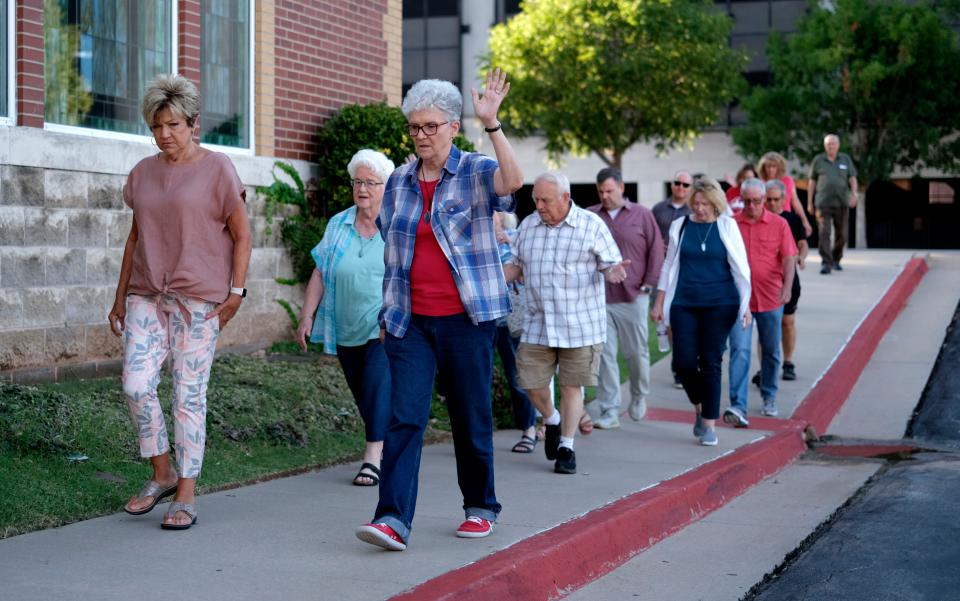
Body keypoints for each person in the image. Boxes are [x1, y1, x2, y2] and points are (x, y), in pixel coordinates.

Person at [355, 70, 523, 552]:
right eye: (415, 127)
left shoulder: (473, 170)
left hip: (467, 322)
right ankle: (391, 519)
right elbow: (394, 253)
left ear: (453, 126)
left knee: (471, 417)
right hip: (411, 323)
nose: (422, 135)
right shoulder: (400, 182)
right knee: (403, 417)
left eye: (431, 126)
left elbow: (512, 182)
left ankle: (480, 507)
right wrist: (389, 317)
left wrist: (492, 125)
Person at [109, 74, 252, 530]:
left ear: (194, 123)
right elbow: (136, 237)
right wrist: (119, 296)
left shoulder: (219, 169)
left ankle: (186, 490)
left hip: (200, 301)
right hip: (146, 295)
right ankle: (161, 471)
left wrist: (236, 295)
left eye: (172, 125)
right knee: (136, 385)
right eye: (156, 127)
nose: (164, 135)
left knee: (189, 397)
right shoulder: (143, 173)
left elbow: (243, 234)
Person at [504, 172, 628, 474]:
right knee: (529, 383)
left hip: (580, 324)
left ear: (565, 198)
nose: (539, 206)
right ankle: (552, 419)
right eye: (536, 200)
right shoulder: (529, 226)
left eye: (545, 200)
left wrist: (612, 272)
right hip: (538, 323)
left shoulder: (591, 225)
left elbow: (610, 262)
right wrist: (491, 279)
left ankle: (566, 448)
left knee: (572, 386)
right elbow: (516, 266)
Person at [295, 149, 395, 487]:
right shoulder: (339, 223)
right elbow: (320, 272)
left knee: (377, 384)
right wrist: (306, 316)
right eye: (357, 182)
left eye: (370, 182)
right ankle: (387, 441)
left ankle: (372, 456)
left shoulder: (397, 223)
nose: (362, 188)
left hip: (384, 324)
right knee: (363, 393)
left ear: (386, 186)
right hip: (345, 325)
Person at [651, 178, 751, 447]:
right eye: (695, 203)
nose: (699, 208)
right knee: (683, 362)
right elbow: (669, 263)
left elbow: (741, 269)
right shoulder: (680, 225)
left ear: (716, 203)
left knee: (711, 360)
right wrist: (659, 301)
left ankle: (708, 424)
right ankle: (699, 405)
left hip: (721, 303)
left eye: (705, 204)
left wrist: (746, 305)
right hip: (684, 302)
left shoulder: (727, 226)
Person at [586, 167, 663, 428]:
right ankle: (609, 409)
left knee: (635, 353)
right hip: (599, 298)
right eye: (601, 191)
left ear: (621, 188)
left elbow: (656, 250)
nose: (605, 196)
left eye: (609, 190)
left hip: (634, 296)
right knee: (605, 355)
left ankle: (639, 396)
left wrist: (649, 285)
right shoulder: (591, 216)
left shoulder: (642, 215)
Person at [724, 179, 797, 425]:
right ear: (741, 199)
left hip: (771, 298)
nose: (752, 206)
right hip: (739, 301)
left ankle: (769, 396)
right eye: (748, 201)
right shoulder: (731, 224)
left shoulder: (780, 224)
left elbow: (789, 258)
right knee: (740, 351)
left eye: (757, 201)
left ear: (764, 200)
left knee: (771, 351)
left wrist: (787, 288)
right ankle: (737, 405)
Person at [492, 211, 538, 453]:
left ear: (501, 217)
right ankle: (474, 432)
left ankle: (529, 429)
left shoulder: (516, 236)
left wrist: (510, 242)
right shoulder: (468, 239)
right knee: (473, 375)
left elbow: (531, 262)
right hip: (479, 317)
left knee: (517, 374)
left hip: (511, 316)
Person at [652, 170, 694, 389]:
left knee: (682, 322)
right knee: (667, 321)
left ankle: (683, 365)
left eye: (686, 185)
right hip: (664, 272)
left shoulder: (695, 210)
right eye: (677, 183)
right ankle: (678, 366)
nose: (681, 187)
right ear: (672, 184)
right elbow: (650, 236)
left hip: (687, 272)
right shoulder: (659, 209)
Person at [764, 180, 807, 381]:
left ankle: (788, 361)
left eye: (775, 199)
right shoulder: (759, 220)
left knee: (787, 321)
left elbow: (802, 244)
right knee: (767, 324)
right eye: (768, 199)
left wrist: (801, 257)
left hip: (787, 277)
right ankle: (766, 365)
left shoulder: (792, 220)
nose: (771, 203)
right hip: (764, 281)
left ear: (783, 199)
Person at [808, 134, 858, 274]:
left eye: (833, 143)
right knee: (824, 233)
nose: (831, 146)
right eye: (829, 144)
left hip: (841, 202)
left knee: (842, 234)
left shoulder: (845, 159)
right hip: (822, 203)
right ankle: (826, 263)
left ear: (838, 145)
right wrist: (809, 202)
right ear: (825, 145)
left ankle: (836, 259)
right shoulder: (818, 160)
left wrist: (854, 194)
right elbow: (812, 182)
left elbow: (852, 178)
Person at [757, 151, 813, 236]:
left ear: (779, 167)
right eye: (768, 166)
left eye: (774, 166)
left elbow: (795, 202)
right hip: (765, 220)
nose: (771, 169)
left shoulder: (788, 181)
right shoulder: (759, 183)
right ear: (763, 167)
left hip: (785, 220)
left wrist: (805, 221)